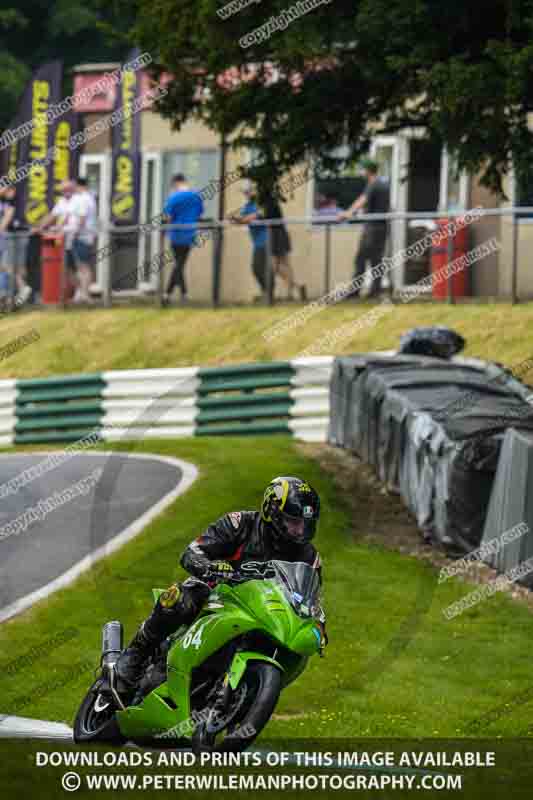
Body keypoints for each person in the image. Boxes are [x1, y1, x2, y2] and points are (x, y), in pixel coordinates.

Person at [116, 476, 326, 693]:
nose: (300, 531)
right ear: (271, 512)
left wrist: (317, 622)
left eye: (306, 524)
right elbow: (192, 552)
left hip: (264, 612)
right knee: (179, 599)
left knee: (293, 649)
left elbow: (312, 597)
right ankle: (135, 654)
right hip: (218, 593)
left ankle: (242, 694)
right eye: (294, 522)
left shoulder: (309, 556)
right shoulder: (241, 524)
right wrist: (211, 568)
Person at [338, 159, 390, 297]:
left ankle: (355, 291)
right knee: (376, 260)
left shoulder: (373, 184)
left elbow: (362, 200)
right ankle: (375, 291)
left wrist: (347, 213)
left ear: (368, 171)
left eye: (363, 169)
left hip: (372, 227)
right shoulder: (383, 184)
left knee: (361, 258)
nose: (362, 172)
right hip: (381, 227)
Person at [162, 173, 204, 306]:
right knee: (180, 264)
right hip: (189, 234)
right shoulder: (196, 196)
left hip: (175, 235)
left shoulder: (173, 197)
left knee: (178, 265)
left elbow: (168, 217)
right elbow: (199, 214)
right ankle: (181, 294)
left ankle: (168, 294)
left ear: (175, 183)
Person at [37, 180, 78, 300]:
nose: (65, 192)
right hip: (64, 242)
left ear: (73, 189)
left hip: (76, 238)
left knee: (78, 267)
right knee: (67, 269)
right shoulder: (62, 201)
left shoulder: (78, 200)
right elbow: (52, 216)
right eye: (63, 190)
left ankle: (80, 293)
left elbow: (72, 220)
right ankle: (67, 294)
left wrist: (59, 226)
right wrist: (40, 227)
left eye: (68, 189)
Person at [229, 184, 270, 301]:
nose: (247, 194)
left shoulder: (262, 204)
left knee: (260, 268)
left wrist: (240, 219)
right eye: (246, 192)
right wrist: (234, 219)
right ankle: (266, 292)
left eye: (249, 192)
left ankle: (267, 294)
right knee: (257, 269)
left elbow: (256, 216)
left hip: (266, 240)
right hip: (257, 242)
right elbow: (241, 220)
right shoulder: (248, 206)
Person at [263, 197, 307, 302]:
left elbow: (263, 217)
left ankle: (291, 290)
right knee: (281, 265)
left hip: (277, 234)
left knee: (280, 265)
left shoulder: (269, 203)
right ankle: (296, 287)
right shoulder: (269, 202)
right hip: (278, 234)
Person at [0, 184, 31, 309]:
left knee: (7, 266)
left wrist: (1, 229)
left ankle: (22, 288)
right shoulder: (8, 200)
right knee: (14, 267)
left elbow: (8, 216)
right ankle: (14, 294)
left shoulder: (13, 200)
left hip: (14, 236)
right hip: (15, 235)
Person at [70, 177, 98, 303]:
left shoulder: (84, 199)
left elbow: (82, 218)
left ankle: (86, 294)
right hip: (85, 236)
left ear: (80, 186)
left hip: (82, 236)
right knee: (81, 267)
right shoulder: (88, 198)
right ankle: (82, 293)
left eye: (75, 186)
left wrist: (75, 233)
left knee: (84, 267)